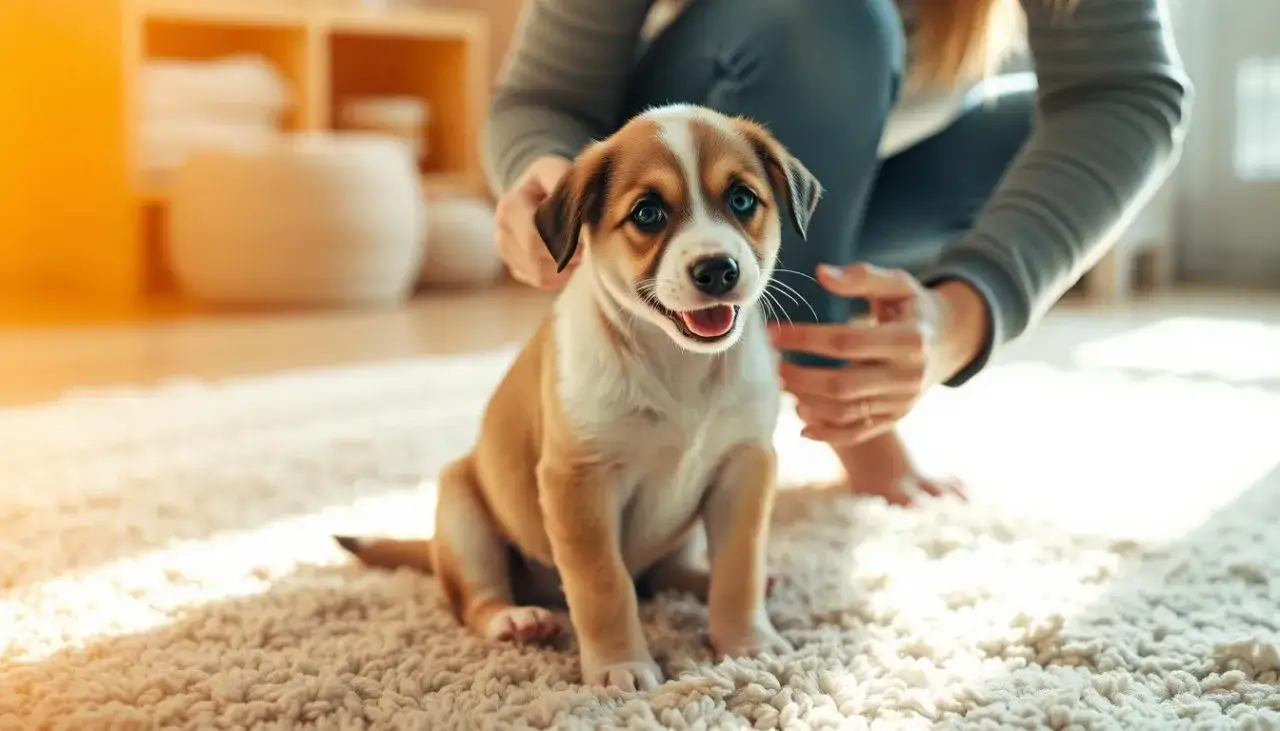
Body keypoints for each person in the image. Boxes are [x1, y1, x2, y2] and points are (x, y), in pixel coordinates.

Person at [481, 0, 1192, 505]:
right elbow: (543, 96)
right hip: (702, 128)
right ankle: (821, 362)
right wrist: (541, 172)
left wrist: (963, 315)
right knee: (829, 15)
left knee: (1035, 132)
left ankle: (828, 354)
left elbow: (1124, 91)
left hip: (827, 180)